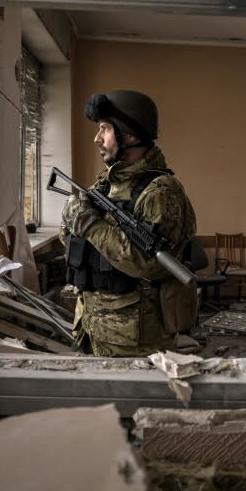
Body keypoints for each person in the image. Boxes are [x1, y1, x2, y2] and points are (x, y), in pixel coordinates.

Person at [59, 90, 197, 357]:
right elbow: (71, 241)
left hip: (134, 340)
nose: (97, 138)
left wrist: (89, 224)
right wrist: (72, 217)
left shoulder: (161, 193)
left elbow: (147, 264)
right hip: (89, 326)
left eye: (105, 129)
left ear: (130, 135)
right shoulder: (106, 185)